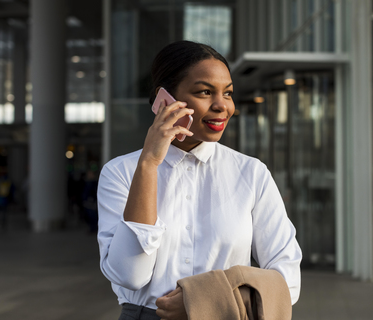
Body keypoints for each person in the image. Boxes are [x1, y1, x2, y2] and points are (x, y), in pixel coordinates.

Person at [97, 41, 302, 320]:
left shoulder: (251, 173)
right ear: (165, 98)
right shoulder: (120, 172)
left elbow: (288, 278)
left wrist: (205, 300)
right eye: (205, 92)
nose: (222, 106)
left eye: (227, 93)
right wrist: (148, 165)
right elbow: (130, 275)